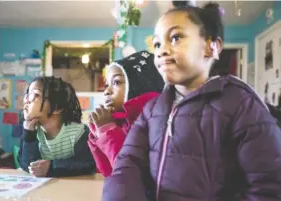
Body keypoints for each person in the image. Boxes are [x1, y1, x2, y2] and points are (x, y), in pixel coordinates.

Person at [101, 1, 281, 201]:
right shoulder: (152, 109)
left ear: (212, 47)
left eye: (176, 38)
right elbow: (127, 164)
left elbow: (269, 187)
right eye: (157, 44)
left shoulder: (241, 103)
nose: (161, 51)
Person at [87, 50, 164, 177]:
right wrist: (98, 132)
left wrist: (107, 131)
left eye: (116, 82)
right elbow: (108, 171)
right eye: (107, 84)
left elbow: (127, 173)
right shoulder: (121, 121)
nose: (106, 91)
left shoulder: (153, 122)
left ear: (138, 84)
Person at [19, 76, 96, 177]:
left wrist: (52, 167)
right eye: (27, 95)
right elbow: (27, 165)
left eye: (35, 95)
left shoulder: (78, 133)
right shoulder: (32, 131)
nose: (26, 101)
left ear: (56, 108)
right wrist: (28, 135)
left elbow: (88, 165)